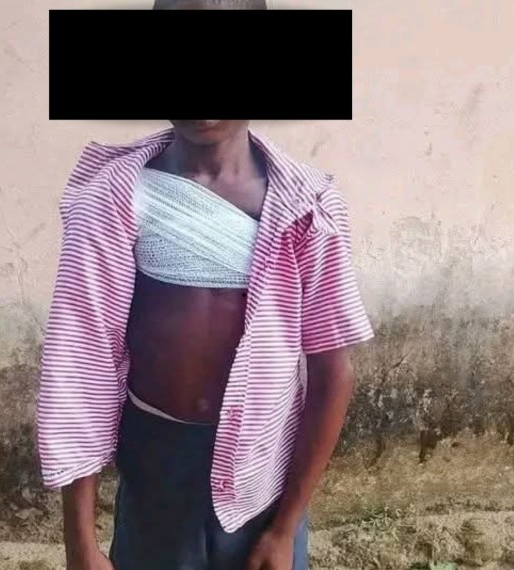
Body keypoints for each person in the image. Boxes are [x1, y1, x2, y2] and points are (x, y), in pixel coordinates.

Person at [37, 12, 371, 570]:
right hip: (157, 466)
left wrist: (284, 528)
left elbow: (332, 373)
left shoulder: (308, 208)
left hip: (265, 474)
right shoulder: (115, 200)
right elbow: (81, 365)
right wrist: (80, 541)